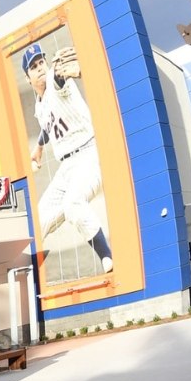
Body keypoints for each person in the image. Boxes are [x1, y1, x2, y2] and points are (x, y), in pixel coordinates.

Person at [23, 42, 114, 274]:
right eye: (33, 67)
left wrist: (77, 71)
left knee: (73, 204)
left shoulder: (56, 79)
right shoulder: (39, 104)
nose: (40, 67)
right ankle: (26, 269)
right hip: (67, 166)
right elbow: (47, 126)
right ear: (28, 78)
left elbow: (61, 80)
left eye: (41, 62)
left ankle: (107, 256)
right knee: (38, 218)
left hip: (89, 154)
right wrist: (39, 148)